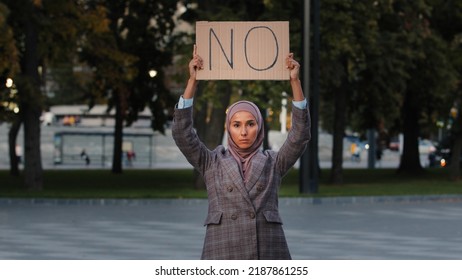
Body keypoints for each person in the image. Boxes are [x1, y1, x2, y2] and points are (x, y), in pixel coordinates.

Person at [172, 45, 311, 260]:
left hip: (266, 250)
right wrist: (192, 82)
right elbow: (182, 135)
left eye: (250, 124)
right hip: (223, 248)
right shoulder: (212, 162)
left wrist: (295, 81)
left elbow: (300, 135)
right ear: (228, 128)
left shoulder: (273, 162)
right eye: (236, 125)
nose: (244, 132)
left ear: (260, 127)